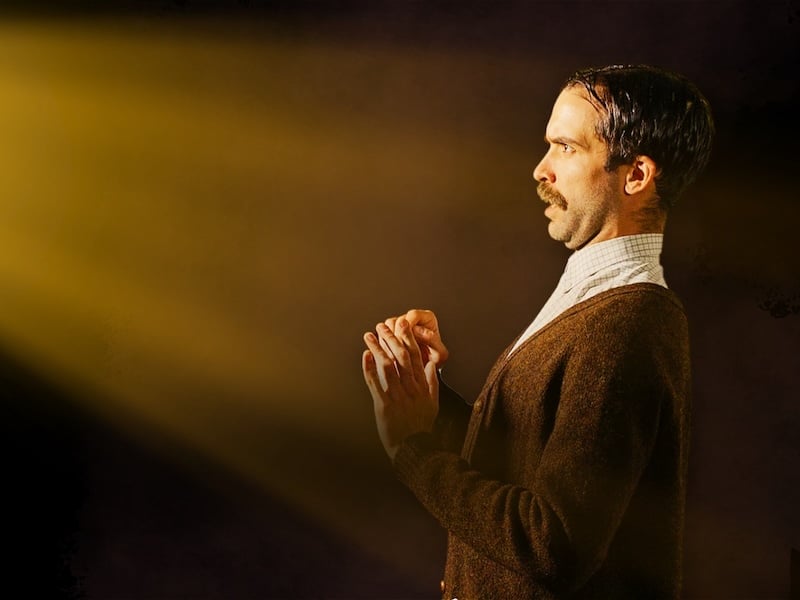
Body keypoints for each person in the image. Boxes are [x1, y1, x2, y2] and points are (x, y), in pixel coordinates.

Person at [361, 64, 714, 599]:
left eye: (566, 148)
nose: (541, 169)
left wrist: (414, 451)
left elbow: (552, 544)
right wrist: (429, 404)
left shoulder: (627, 322)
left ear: (636, 176)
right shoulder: (599, 301)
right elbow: (528, 464)